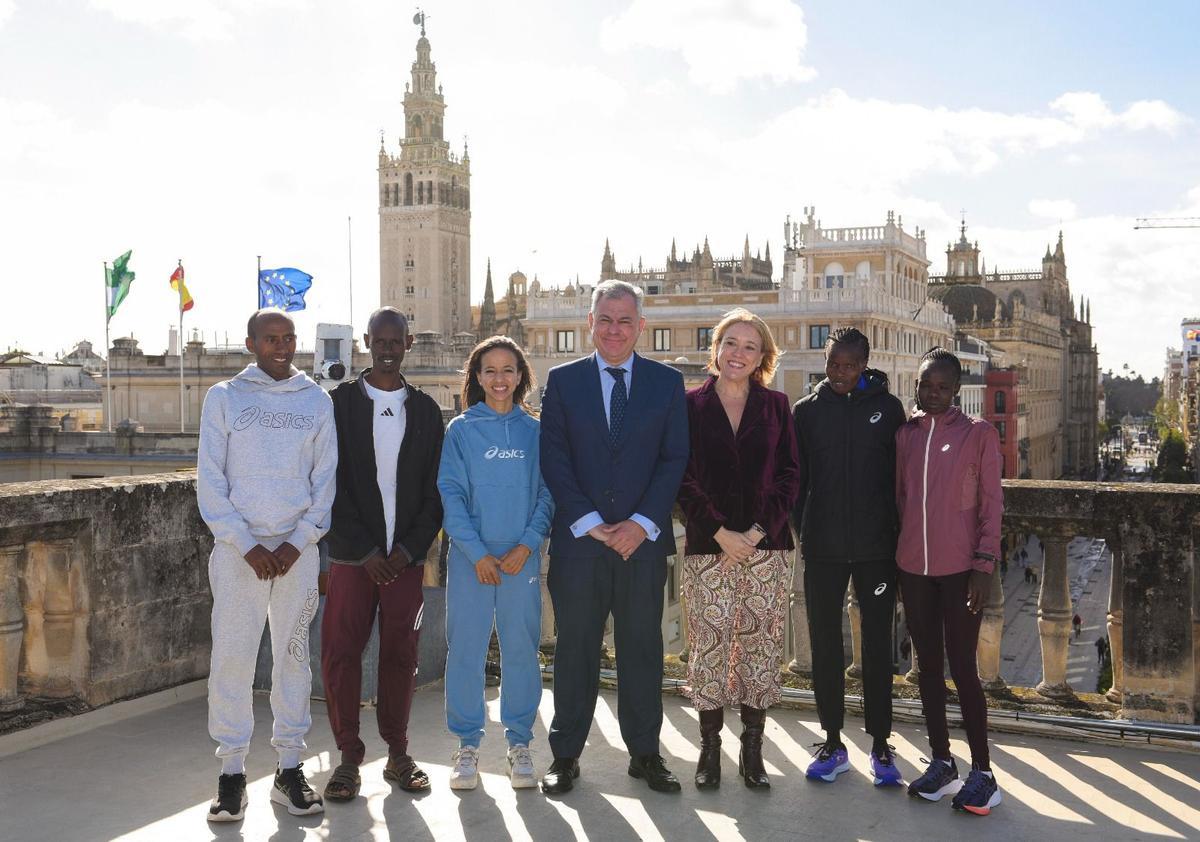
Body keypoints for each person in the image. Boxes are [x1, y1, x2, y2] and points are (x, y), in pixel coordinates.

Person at [538, 280, 689, 795]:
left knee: (641, 650)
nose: (615, 329)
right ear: (590, 323)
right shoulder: (561, 382)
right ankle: (564, 756)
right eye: (606, 319)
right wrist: (588, 521)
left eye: (625, 320)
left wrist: (642, 523)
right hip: (580, 544)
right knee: (575, 649)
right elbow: (554, 458)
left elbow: (674, 460)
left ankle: (645, 754)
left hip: (642, 546)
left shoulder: (667, 384)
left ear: (641, 326)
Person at [199, 308, 336, 821]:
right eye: (271, 338)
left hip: (296, 557)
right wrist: (245, 543)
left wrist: (297, 543)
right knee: (232, 659)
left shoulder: (316, 401)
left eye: (289, 338)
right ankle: (232, 773)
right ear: (252, 343)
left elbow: (325, 483)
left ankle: (289, 768)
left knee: (293, 657)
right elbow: (210, 482)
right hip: (239, 557)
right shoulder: (225, 398)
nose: (282, 346)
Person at [320, 307, 444, 801]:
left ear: (408, 344)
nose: (388, 349)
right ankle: (348, 756)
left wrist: (409, 549)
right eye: (380, 341)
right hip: (355, 560)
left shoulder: (427, 411)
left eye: (397, 341)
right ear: (367, 343)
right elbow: (329, 484)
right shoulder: (339, 405)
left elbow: (436, 493)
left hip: (405, 564)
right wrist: (366, 549)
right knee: (341, 656)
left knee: (401, 656)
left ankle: (398, 753)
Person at [677, 309, 800, 790]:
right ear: (717, 347)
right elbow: (681, 477)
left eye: (750, 346)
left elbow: (790, 477)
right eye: (731, 342)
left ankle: (753, 749)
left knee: (760, 649)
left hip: (767, 549)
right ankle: (710, 750)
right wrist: (720, 532)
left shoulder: (777, 406)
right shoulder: (689, 406)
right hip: (708, 549)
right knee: (707, 647)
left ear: (762, 357)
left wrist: (752, 534)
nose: (738, 353)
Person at [790, 327, 906, 787]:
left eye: (850, 366)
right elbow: (796, 483)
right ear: (826, 359)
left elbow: (900, 480)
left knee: (878, 646)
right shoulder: (807, 412)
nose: (840, 373)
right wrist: (807, 531)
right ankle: (833, 742)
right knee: (825, 646)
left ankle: (880, 744)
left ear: (865, 364)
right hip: (823, 551)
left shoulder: (889, 409)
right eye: (834, 364)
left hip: (878, 552)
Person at [438, 336, 553, 791]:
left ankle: (520, 744)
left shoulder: (536, 431)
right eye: (490, 370)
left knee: (521, 649)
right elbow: (451, 495)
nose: (500, 379)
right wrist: (477, 554)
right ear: (477, 376)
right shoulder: (462, 431)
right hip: (473, 560)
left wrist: (526, 545)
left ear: (521, 375)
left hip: (519, 560)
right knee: (465, 649)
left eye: (509, 370)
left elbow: (547, 494)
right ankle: (467, 745)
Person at [897, 347, 1003, 816]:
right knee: (927, 670)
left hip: (961, 570)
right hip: (913, 569)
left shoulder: (978, 434)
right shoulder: (906, 435)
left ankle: (983, 772)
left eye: (942, 386)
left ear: (957, 390)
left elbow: (992, 503)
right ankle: (943, 761)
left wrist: (984, 564)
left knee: (963, 669)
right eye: (925, 385)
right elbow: (901, 498)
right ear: (916, 385)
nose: (933, 393)